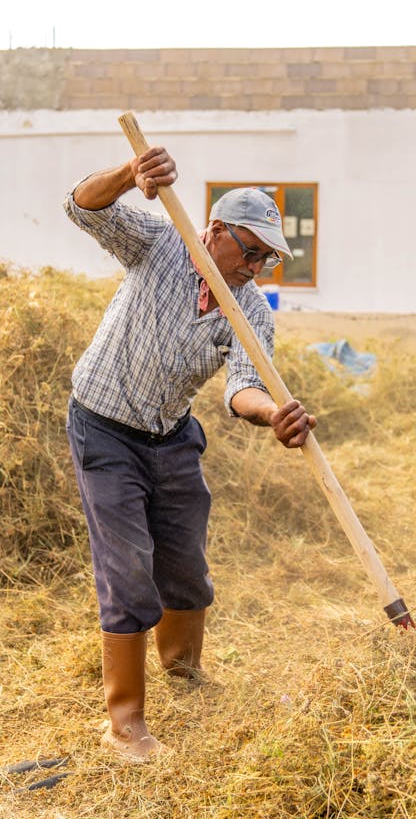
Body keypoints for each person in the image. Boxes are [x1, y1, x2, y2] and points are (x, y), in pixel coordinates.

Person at [64, 146, 316, 763]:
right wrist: (130, 175)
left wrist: (272, 416)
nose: (256, 265)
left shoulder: (250, 308)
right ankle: (124, 724)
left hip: (171, 434)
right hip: (104, 427)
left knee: (184, 566)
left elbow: (243, 387)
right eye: (249, 250)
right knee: (128, 572)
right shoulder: (160, 242)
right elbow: (81, 207)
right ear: (215, 230)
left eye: (267, 257)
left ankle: (183, 671)